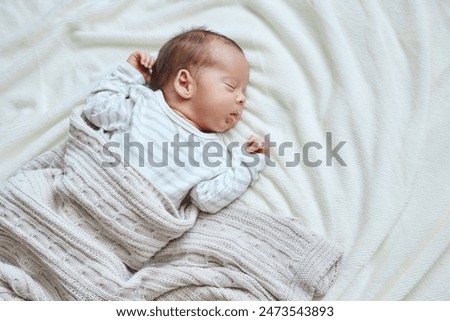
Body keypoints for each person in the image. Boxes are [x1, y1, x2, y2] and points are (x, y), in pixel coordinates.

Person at [83, 27, 268, 213]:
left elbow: (209, 200)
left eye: (244, 92)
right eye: (231, 86)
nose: (242, 99)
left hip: (139, 219)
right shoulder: (145, 105)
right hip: (92, 190)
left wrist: (249, 164)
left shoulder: (216, 153)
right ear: (185, 84)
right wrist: (129, 74)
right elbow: (97, 110)